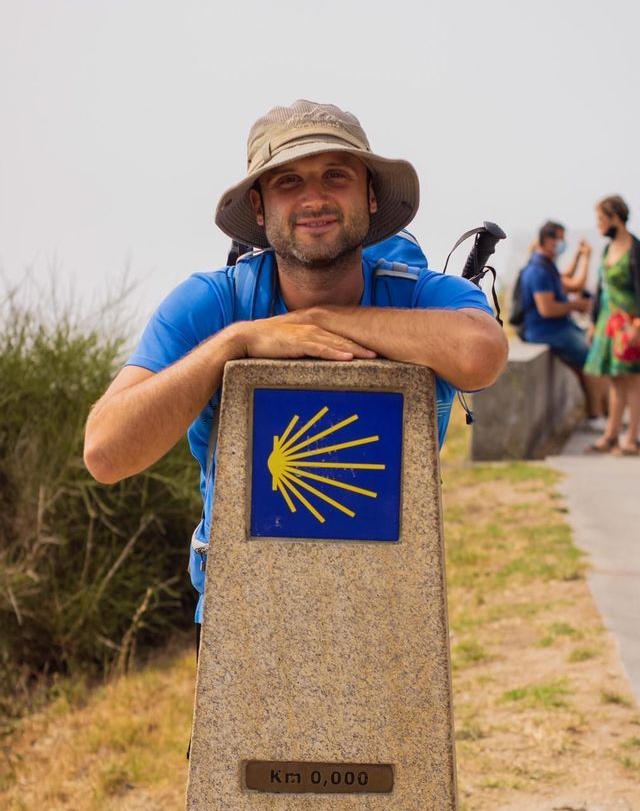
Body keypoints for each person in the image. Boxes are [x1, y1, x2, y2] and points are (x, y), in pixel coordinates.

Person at [84, 99, 507, 625]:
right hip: (241, 616)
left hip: (390, 614)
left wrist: (324, 319)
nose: (314, 198)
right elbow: (105, 452)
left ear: (371, 196)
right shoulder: (215, 305)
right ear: (259, 208)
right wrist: (233, 343)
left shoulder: (418, 294)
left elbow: (481, 354)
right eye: (288, 182)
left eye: (336, 175)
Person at [519, 220, 602, 420]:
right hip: (546, 330)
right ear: (547, 240)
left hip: (558, 327)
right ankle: (596, 415)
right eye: (559, 240)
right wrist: (576, 305)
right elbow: (546, 309)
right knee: (592, 360)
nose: (561, 244)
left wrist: (580, 257)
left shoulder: (547, 266)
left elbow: (568, 281)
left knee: (591, 354)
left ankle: (598, 412)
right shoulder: (538, 270)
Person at [584, 195, 640, 455]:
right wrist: (594, 323)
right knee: (615, 380)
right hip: (609, 322)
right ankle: (611, 435)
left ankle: (630, 439)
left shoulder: (635, 249)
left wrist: (636, 327)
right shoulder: (607, 250)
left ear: (614, 218)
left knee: (632, 381)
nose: (599, 226)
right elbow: (599, 289)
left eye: (601, 220)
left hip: (630, 323)